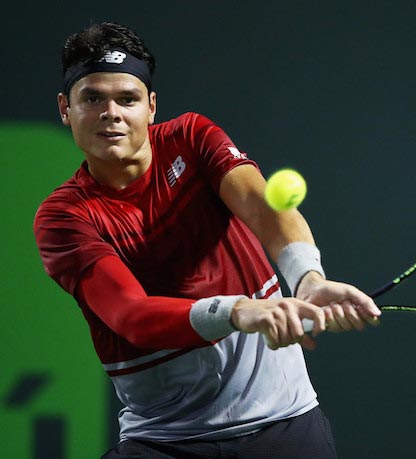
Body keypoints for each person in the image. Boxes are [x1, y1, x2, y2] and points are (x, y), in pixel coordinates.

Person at [34, 22, 381, 458]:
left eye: (128, 99)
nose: (112, 113)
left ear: (151, 106)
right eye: (92, 98)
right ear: (66, 108)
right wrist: (239, 310)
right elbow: (132, 315)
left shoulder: (191, 138)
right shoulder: (63, 216)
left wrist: (307, 277)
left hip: (286, 428)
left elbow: (261, 206)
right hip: (164, 440)